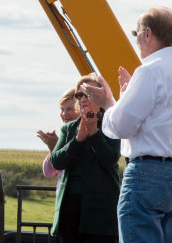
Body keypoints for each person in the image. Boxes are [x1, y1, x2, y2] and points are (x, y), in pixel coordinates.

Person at [81, 6, 172, 243]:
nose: (137, 40)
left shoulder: (149, 72)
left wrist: (109, 102)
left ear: (148, 34)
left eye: (136, 33)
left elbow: (121, 127)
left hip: (147, 174)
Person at [50, 73, 120, 243]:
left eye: (88, 94)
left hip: (100, 213)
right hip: (70, 208)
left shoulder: (111, 124)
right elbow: (56, 161)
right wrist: (77, 140)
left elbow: (110, 159)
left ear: (100, 96)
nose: (82, 98)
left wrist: (94, 133)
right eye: (79, 94)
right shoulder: (69, 129)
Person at [37, 88, 79, 188]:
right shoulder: (64, 137)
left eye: (69, 109)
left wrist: (57, 147)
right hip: (62, 196)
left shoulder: (84, 136)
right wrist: (53, 148)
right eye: (62, 109)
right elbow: (48, 172)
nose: (64, 114)